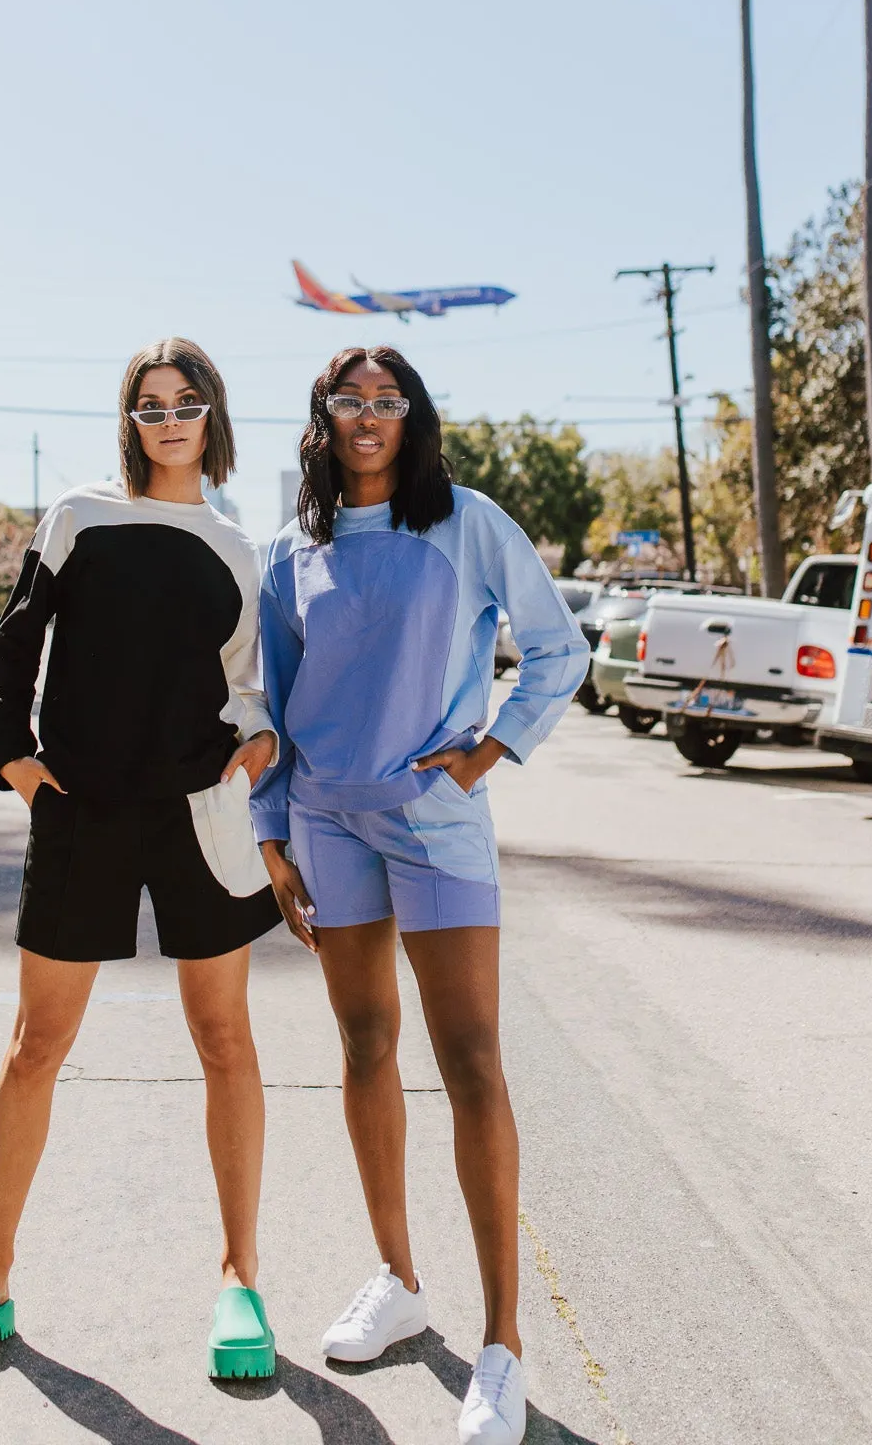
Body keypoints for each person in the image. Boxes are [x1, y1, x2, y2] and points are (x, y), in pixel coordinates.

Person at [0, 338, 283, 1382]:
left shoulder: (234, 546)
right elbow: (10, 653)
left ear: (212, 414)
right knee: (36, 1043)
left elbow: (246, 685)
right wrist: (18, 763)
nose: (169, 419)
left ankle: (239, 1280)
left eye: (186, 402)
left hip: (195, 815)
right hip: (81, 811)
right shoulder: (78, 518)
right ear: (128, 421)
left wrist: (255, 743)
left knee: (226, 1042)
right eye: (149, 405)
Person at [251, 345, 588, 1445]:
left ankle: (502, 1345)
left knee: (474, 1062)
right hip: (329, 822)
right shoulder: (292, 549)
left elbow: (558, 650)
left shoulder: (467, 521)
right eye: (348, 399)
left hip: (435, 823)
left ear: (413, 414)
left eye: (386, 400)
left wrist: (489, 754)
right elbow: (276, 705)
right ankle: (398, 1278)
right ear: (322, 416)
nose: (367, 415)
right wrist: (272, 835)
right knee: (361, 1046)